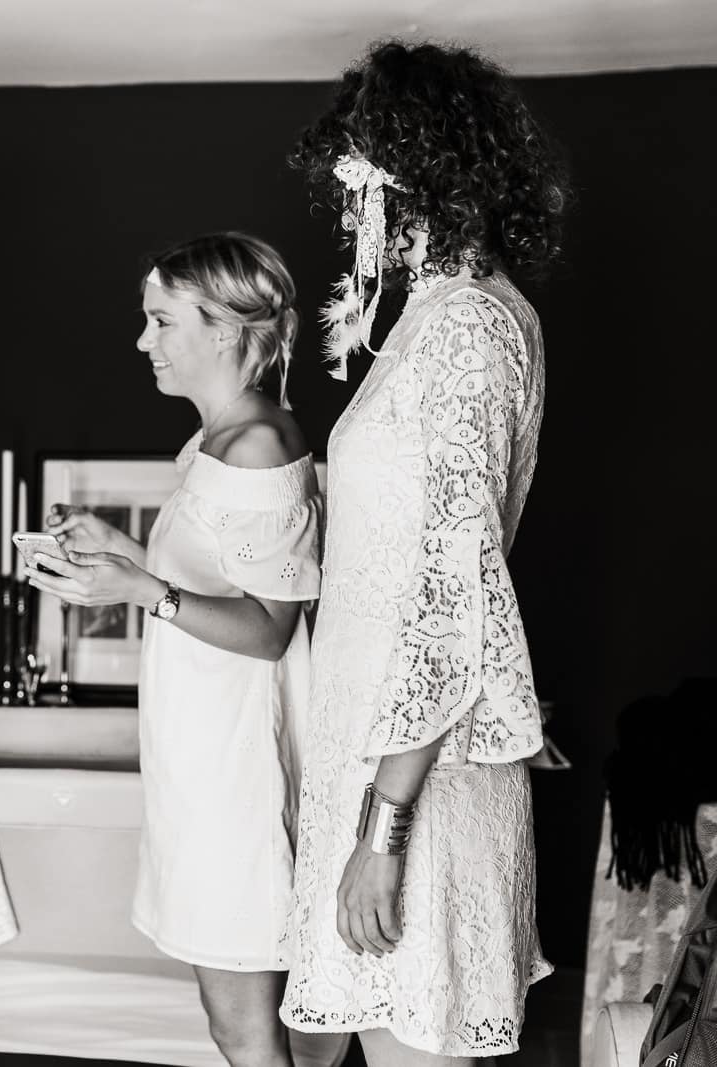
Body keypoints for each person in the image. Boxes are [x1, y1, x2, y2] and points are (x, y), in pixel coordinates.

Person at [276, 40, 569, 1065]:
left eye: (363, 176)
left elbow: (458, 588)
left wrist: (383, 829)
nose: (354, 207)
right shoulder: (435, 317)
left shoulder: (468, 328)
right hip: (379, 755)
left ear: (419, 173)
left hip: (417, 781)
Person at [29, 233, 321, 1067]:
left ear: (223, 330)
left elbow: (270, 628)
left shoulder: (258, 445)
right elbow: (213, 573)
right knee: (247, 1028)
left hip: (239, 775)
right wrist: (119, 549)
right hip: (199, 763)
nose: (142, 340)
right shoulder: (213, 442)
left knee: (246, 1031)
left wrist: (139, 589)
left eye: (161, 321)